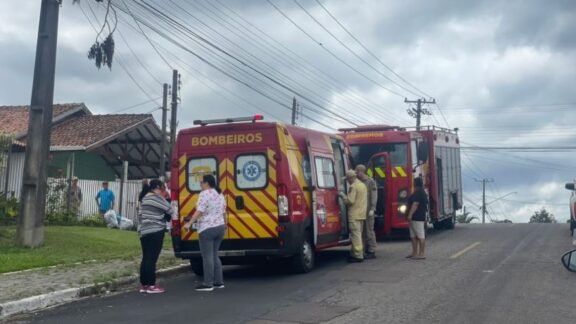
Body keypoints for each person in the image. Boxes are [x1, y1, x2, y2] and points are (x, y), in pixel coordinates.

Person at [182, 174, 226, 292]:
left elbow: (200, 211)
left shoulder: (204, 194)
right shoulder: (220, 194)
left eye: (201, 182)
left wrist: (189, 223)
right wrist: (224, 224)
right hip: (220, 227)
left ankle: (208, 283)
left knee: (207, 256)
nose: (200, 185)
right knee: (214, 255)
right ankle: (219, 282)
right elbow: (223, 211)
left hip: (207, 228)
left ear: (207, 183)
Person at [138, 179, 173, 294]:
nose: (162, 191)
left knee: (146, 257)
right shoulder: (156, 198)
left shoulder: (145, 198)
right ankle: (152, 285)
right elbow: (170, 209)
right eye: (161, 188)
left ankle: (144, 285)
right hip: (156, 230)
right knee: (152, 259)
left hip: (144, 231)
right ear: (157, 187)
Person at [339, 170, 368, 263]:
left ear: (351, 178)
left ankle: (358, 256)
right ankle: (358, 253)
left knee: (356, 236)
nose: (347, 181)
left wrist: (342, 195)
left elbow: (350, 201)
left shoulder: (353, 187)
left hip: (354, 215)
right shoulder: (362, 185)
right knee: (359, 234)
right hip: (362, 214)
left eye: (347, 179)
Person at [355, 165, 378, 259]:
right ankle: (364, 250)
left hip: (368, 210)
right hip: (361, 210)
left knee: (369, 231)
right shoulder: (358, 182)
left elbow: (374, 196)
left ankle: (372, 250)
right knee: (362, 232)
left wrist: (372, 208)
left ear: (361, 171)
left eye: (357, 171)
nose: (356, 173)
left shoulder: (370, 182)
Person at [407, 177, 429, 260]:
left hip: (417, 217)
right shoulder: (420, 191)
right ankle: (414, 253)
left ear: (415, 183)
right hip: (415, 217)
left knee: (420, 236)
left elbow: (415, 204)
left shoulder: (419, 192)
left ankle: (422, 253)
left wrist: (410, 214)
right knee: (413, 236)